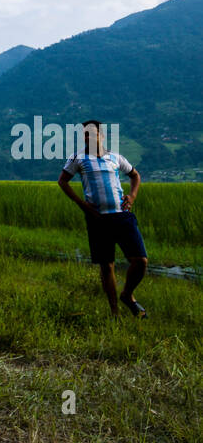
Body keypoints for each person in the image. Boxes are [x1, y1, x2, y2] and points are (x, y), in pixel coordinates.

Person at [58, 119, 148, 318]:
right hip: (97, 219)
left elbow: (135, 175)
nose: (88, 137)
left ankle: (127, 295)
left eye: (92, 133)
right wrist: (83, 205)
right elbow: (62, 181)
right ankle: (114, 312)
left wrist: (132, 196)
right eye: (85, 134)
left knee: (140, 260)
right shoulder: (77, 159)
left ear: (102, 135)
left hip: (122, 216)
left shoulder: (115, 157)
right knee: (107, 265)